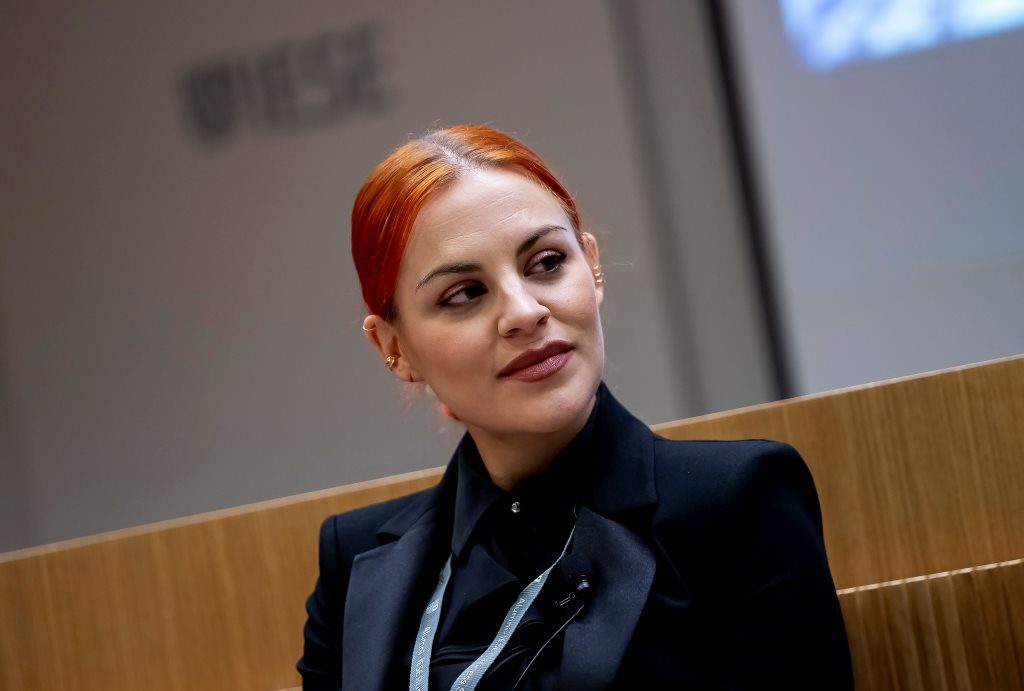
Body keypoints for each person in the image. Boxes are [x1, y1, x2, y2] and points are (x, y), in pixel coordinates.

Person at [298, 125, 853, 690]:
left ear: (591, 266)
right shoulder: (354, 559)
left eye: (546, 262)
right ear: (394, 347)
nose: (524, 312)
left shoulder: (735, 503)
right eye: (464, 293)